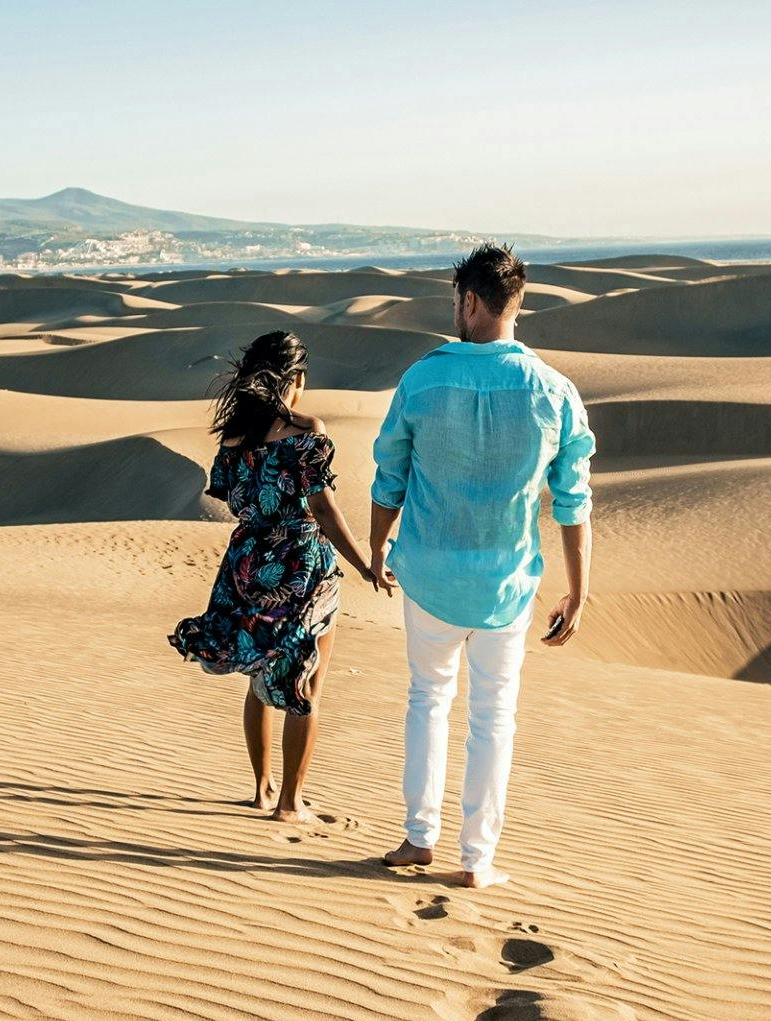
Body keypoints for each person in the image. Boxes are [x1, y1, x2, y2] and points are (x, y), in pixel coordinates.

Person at [368, 243, 597, 887]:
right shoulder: (553, 390)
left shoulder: (422, 378)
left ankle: (419, 838)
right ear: (515, 304)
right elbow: (573, 501)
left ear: (469, 301)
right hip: (507, 582)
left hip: (430, 574)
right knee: (494, 715)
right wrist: (578, 591)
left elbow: (390, 477)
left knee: (427, 699)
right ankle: (478, 861)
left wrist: (378, 546)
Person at [169, 331, 373, 822]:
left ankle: (261, 790)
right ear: (295, 379)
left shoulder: (234, 437)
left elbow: (237, 500)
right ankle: (290, 803)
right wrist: (364, 564)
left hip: (246, 565)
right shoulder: (306, 431)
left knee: (260, 677)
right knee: (306, 683)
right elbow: (322, 510)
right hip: (302, 566)